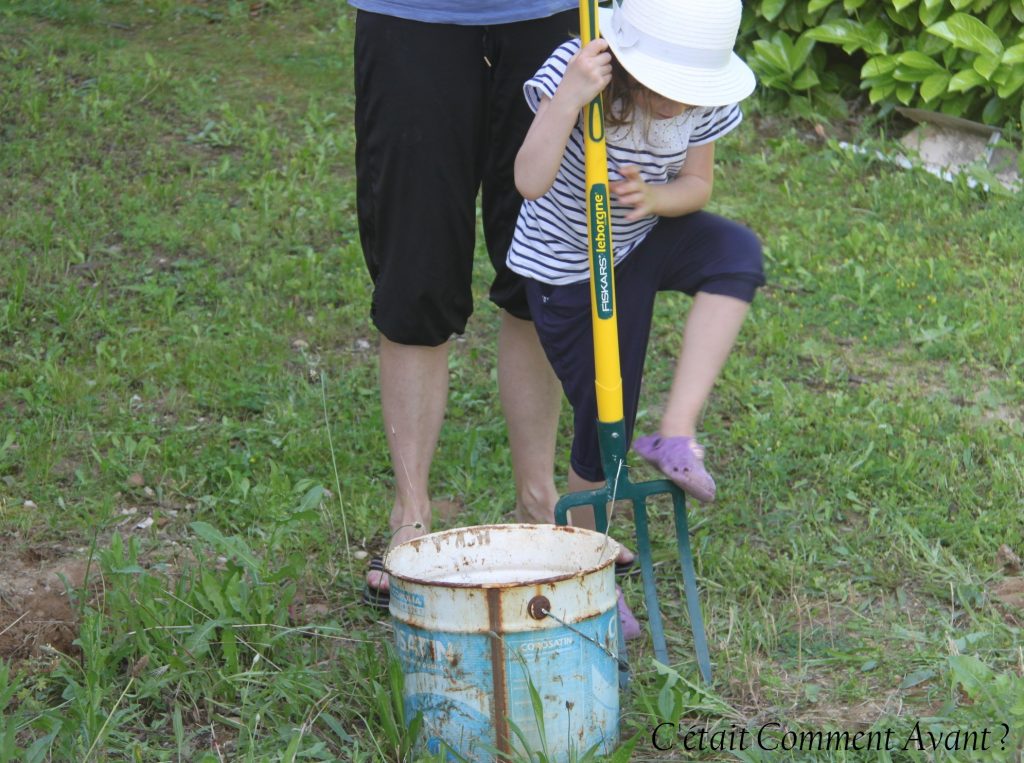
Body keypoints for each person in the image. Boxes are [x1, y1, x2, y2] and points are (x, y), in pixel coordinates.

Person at [350, 1, 637, 609]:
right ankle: (411, 516)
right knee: (415, 274)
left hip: (545, 15)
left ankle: (539, 502)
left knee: (543, 266)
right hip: (413, 19)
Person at [508, 0, 765, 511]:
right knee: (606, 416)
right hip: (569, 269)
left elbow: (696, 184)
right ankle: (584, 565)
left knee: (735, 253)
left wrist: (655, 199)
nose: (676, 102)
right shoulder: (580, 67)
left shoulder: (701, 95)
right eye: (665, 85)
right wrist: (568, 100)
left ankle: (675, 434)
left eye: (687, 89)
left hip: (639, 237)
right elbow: (528, 181)